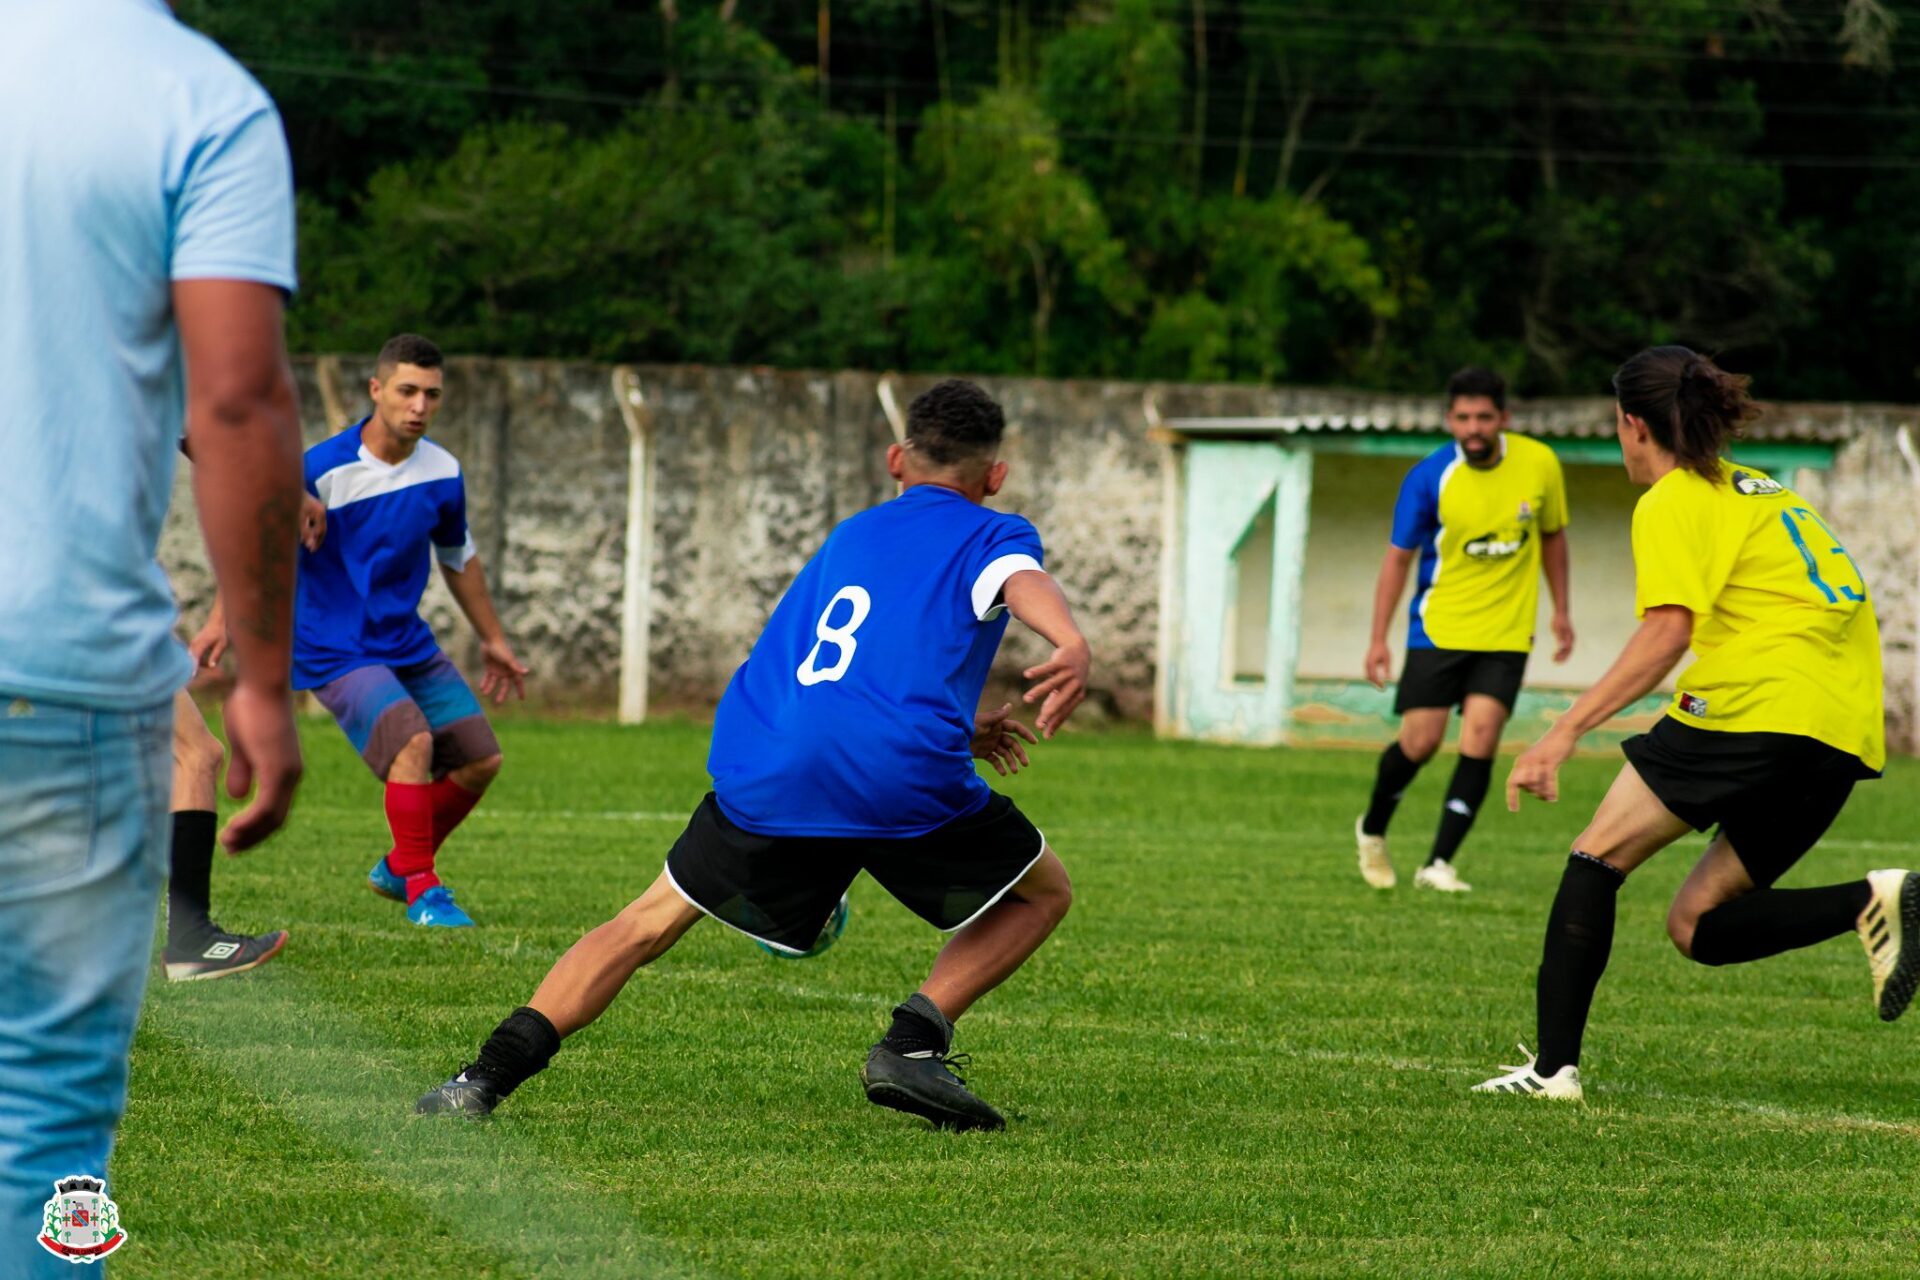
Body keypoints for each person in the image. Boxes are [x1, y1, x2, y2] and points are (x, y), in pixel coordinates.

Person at [413, 378, 1086, 1131]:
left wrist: (954, 730)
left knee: (642, 924)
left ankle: (482, 1079)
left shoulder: (853, 536)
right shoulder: (991, 533)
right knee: (1043, 892)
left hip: (770, 765)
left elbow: (840, 675)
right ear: (994, 477)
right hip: (899, 777)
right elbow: (1018, 581)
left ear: (896, 460)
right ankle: (914, 1042)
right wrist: (1069, 639)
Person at [0, 0, 304, 1273]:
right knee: (47, 1124)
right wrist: (270, 677)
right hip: (56, 666)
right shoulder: (200, 100)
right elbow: (233, 393)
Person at [1474, 347, 1905, 1100]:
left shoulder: (1674, 498)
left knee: (1595, 859)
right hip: (1842, 725)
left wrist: (1563, 730)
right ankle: (1882, 897)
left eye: (1618, 427)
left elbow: (1668, 631)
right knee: (1696, 925)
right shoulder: (1762, 489)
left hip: (1757, 702)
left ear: (1636, 425)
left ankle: (1552, 1072)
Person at [294, 333, 528, 928]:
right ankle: (424, 890)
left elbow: (458, 555)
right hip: (334, 646)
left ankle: (402, 863)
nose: (419, 405)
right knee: (412, 743)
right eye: (406, 391)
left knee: (480, 759)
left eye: (432, 394)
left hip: (405, 642)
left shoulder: (443, 471)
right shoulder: (319, 470)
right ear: (376, 390)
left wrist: (493, 638)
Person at [1355, 366, 1573, 893]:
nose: (1473, 427)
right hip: (1438, 629)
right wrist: (1378, 638)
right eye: (1463, 418)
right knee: (1420, 743)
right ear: (1449, 420)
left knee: (1480, 738)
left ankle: (1438, 865)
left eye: (1483, 417)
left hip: (1505, 634)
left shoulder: (1540, 463)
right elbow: (1397, 559)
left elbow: (1553, 538)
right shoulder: (1429, 477)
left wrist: (1562, 611)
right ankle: (1372, 827)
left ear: (1504, 418)